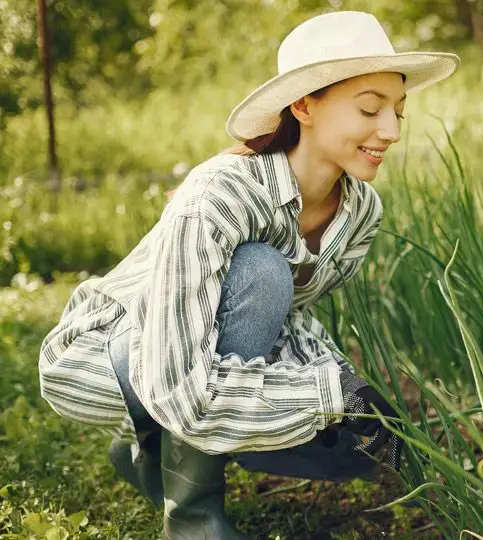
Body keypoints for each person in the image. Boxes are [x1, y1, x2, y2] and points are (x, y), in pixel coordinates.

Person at [37, 10, 460, 539]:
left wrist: (350, 394)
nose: (391, 130)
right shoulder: (218, 194)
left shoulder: (360, 212)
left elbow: (287, 321)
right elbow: (178, 384)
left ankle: (146, 453)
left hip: (194, 357)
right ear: (304, 106)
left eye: (399, 110)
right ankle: (193, 520)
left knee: (347, 454)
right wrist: (327, 392)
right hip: (111, 354)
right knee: (262, 271)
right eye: (370, 109)